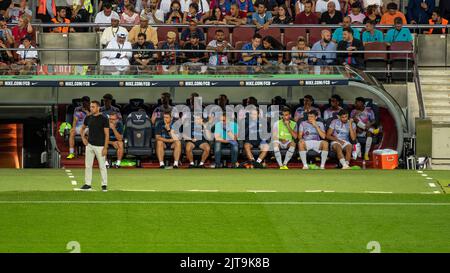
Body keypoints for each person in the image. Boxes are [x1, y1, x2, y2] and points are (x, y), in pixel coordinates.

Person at [79, 101, 109, 192]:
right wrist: (83, 138)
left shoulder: (104, 118)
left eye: (93, 107)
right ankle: (88, 184)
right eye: (91, 107)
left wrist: (105, 148)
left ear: (98, 107)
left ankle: (104, 185)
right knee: (88, 166)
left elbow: (107, 135)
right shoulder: (88, 117)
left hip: (100, 146)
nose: (91, 108)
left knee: (102, 166)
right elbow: (82, 129)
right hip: (90, 145)